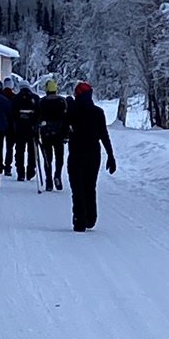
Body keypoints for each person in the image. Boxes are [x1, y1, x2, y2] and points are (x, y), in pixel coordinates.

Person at [65, 81, 117, 232]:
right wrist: (110, 155)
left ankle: (79, 219)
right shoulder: (98, 112)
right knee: (90, 186)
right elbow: (104, 135)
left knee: (77, 188)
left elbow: (63, 131)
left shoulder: (72, 112)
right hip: (93, 154)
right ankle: (91, 217)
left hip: (76, 154)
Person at [38, 78, 67, 191]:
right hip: (59, 134)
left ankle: (49, 180)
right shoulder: (62, 101)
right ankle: (57, 175)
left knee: (47, 157)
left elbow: (38, 117)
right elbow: (66, 117)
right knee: (59, 156)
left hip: (46, 133)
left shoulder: (42, 102)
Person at [11, 80, 40, 181]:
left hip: (20, 128)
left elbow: (12, 114)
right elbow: (39, 113)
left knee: (20, 150)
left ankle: (20, 172)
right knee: (32, 150)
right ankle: (30, 171)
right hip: (32, 128)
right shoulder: (35, 98)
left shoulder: (15, 98)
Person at [2, 77, 16, 176]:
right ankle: (7, 166)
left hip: (0, 124)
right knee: (9, 147)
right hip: (11, 125)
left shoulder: (0, 96)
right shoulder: (14, 98)